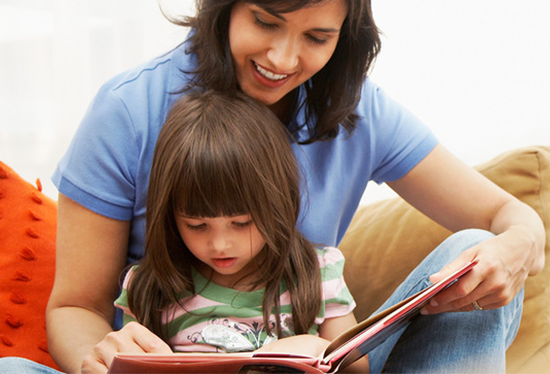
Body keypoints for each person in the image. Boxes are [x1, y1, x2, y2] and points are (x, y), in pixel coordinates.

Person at [0, 0, 543, 373]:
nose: (283, 60)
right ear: (226, 8)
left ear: (345, 36)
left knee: (473, 253)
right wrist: (99, 356)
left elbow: (507, 216)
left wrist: (520, 242)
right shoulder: (128, 110)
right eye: (265, 21)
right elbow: (76, 305)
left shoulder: (356, 109)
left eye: (316, 37)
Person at [113, 89, 368, 373]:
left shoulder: (318, 273)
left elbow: (357, 370)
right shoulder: (151, 287)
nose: (220, 244)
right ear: (171, 218)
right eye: (197, 226)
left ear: (277, 203)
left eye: (242, 223)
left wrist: (318, 347)